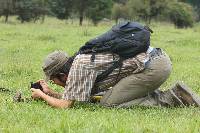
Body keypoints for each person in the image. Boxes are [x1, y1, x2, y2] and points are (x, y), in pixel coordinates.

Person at [31, 47, 200, 108]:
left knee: (108, 102)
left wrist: (41, 95)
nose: (58, 85)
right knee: (108, 97)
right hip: (155, 61)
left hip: (154, 67)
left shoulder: (80, 67)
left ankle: (173, 96)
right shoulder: (80, 61)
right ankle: (166, 95)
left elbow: (65, 106)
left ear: (62, 74)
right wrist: (51, 93)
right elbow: (80, 98)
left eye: (54, 81)